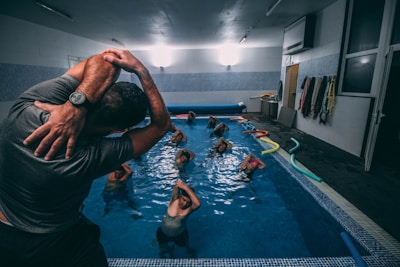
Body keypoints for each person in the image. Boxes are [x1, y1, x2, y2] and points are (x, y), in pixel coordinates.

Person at [0, 48, 172, 266]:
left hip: (4, 228)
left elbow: (105, 59)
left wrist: (76, 105)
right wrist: (142, 71)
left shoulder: (29, 106)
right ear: (119, 130)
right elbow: (161, 125)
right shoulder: (85, 158)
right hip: (52, 239)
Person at [156, 179, 201, 258]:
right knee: (163, 248)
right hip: (163, 232)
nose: (185, 203)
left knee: (185, 248)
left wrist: (186, 187)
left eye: (188, 202)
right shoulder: (174, 200)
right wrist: (180, 185)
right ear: (180, 196)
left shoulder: (189, 209)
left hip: (179, 235)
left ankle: (189, 252)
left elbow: (198, 204)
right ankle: (169, 251)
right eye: (183, 200)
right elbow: (177, 184)